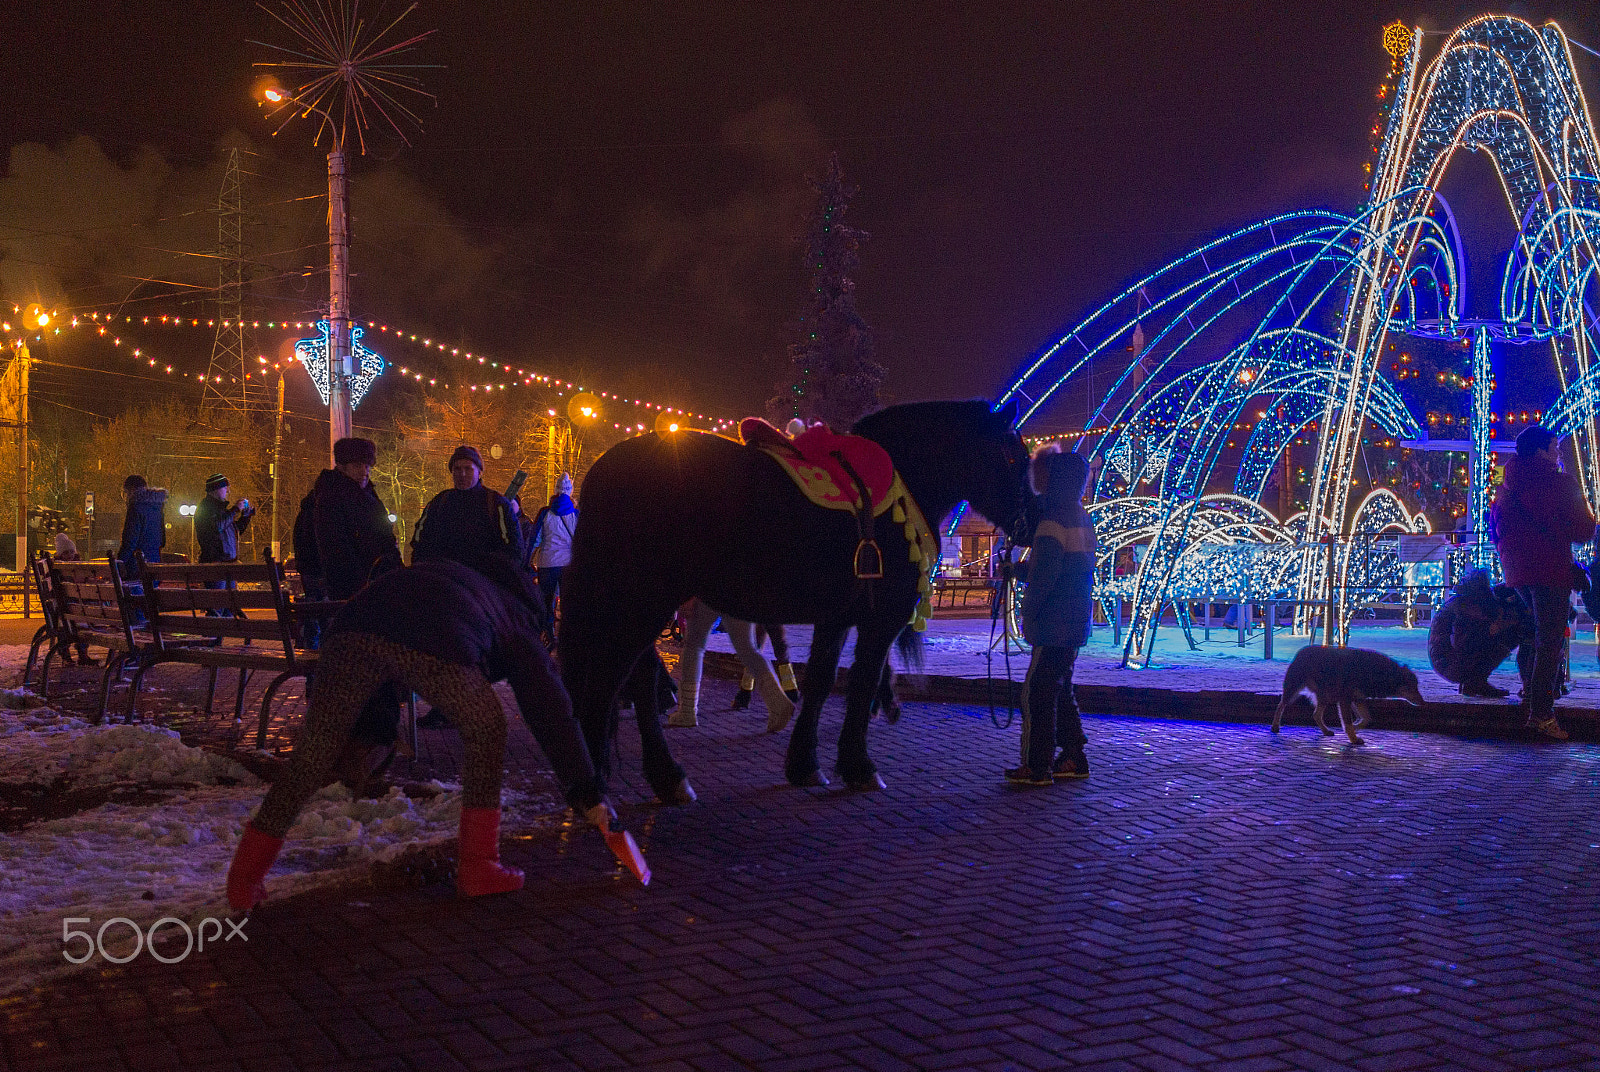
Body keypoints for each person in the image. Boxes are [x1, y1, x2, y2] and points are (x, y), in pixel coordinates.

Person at [225, 553, 616, 910]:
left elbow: (382, 656)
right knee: (487, 728)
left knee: (314, 754)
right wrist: (587, 791)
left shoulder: (458, 575)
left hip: (350, 630)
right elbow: (550, 710)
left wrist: (376, 729)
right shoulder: (517, 616)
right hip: (431, 636)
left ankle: (244, 878)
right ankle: (480, 865)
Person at [1490, 425, 1597, 740]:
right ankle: (1541, 714)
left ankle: (1533, 695)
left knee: (1536, 635)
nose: (1559, 453)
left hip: (1518, 571)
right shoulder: (1560, 483)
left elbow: (1496, 526)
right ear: (1540, 451)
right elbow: (1584, 530)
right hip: (1550, 569)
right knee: (1550, 641)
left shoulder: (1507, 485)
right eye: (1555, 447)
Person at [1009, 446, 1096, 786]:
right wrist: (1019, 571)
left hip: (1053, 623)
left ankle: (1036, 764)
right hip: (1076, 620)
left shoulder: (1052, 520)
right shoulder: (1081, 516)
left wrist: (1029, 618)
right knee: (1061, 690)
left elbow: (1045, 575)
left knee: (1036, 691)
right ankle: (1073, 756)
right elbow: (1068, 566)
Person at [312, 437, 402, 601]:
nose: (364, 472)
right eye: (357, 466)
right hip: (354, 588)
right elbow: (337, 549)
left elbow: (385, 537)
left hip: (375, 581)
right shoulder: (332, 499)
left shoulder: (367, 496)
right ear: (341, 467)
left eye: (367, 466)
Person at [1427, 569, 1534, 698]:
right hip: (1449, 663)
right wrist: (1499, 625)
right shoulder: (1467, 606)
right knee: (1511, 636)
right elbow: (1465, 643)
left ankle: (1474, 681)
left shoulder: (1465, 600)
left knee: (1509, 635)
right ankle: (1475, 681)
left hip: (1448, 659)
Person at [411, 445, 522, 569]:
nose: (462, 474)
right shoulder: (439, 502)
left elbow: (513, 547)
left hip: (485, 577)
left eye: (468, 469)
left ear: (479, 472)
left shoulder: (497, 504)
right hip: (444, 573)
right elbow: (420, 540)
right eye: (457, 469)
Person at [529, 472, 579, 634]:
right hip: (569, 564)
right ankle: (567, 635)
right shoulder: (576, 515)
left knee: (546, 600)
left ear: (556, 491)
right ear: (570, 492)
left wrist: (527, 558)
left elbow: (535, 539)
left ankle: (547, 633)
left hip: (547, 563)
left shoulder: (545, 513)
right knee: (568, 601)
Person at [194, 473, 255, 564]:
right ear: (215, 489)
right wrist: (235, 509)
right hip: (214, 564)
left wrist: (245, 516)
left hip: (227, 563)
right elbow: (218, 526)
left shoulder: (222, 510)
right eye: (225, 488)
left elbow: (235, 531)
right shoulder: (206, 507)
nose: (228, 491)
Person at [117, 475, 167, 571]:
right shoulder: (157, 508)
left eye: (125, 493)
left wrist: (119, 564)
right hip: (154, 565)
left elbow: (130, 541)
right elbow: (162, 541)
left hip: (135, 566)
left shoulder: (135, 508)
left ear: (131, 490)